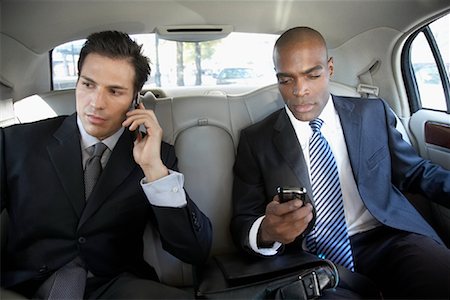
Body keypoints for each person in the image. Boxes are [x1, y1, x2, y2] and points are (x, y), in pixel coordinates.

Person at [231, 26, 450, 299]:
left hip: (387, 237)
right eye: (286, 80)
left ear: (330, 68)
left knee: (440, 275)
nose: (300, 91)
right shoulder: (256, 140)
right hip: (312, 259)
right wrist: (267, 231)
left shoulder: (373, 113)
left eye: (313, 75)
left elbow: (415, 171)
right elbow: (242, 220)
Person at [0, 30, 212, 299]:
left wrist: (154, 171)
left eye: (114, 91)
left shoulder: (156, 156)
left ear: (135, 99)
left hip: (117, 287)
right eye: (88, 85)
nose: (96, 103)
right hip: (27, 288)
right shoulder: (16, 142)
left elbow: (195, 250)